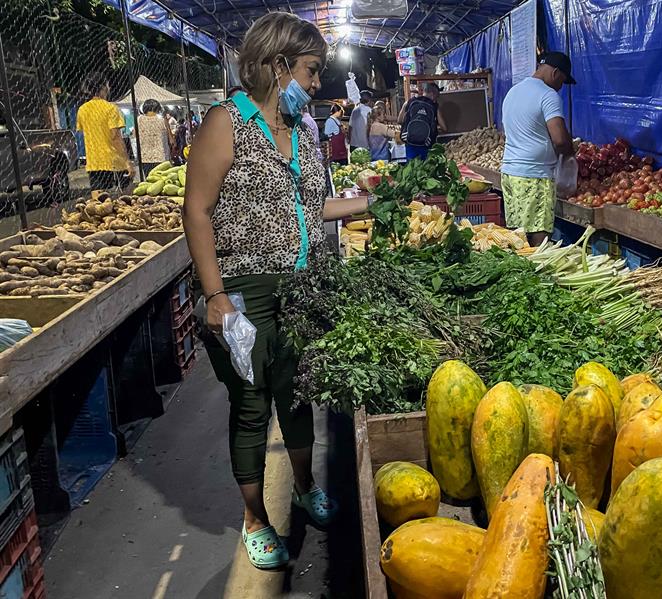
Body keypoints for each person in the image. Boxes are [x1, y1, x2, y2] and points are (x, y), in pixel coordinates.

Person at [183, 11, 372, 571]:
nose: (317, 85)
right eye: (311, 71)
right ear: (276, 64)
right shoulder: (226, 122)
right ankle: (254, 519)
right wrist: (215, 295)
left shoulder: (303, 131)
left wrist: (372, 204)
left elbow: (312, 208)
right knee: (251, 405)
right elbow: (196, 210)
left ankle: (305, 486)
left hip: (300, 286)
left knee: (296, 394)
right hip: (243, 289)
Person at [501, 51, 575, 246]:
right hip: (534, 176)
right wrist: (570, 155)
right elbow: (560, 140)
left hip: (509, 172)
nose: (560, 87)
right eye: (563, 81)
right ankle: (537, 272)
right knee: (538, 235)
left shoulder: (513, 92)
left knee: (517, 234)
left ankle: (517, 272)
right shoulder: (548, 95)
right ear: (555, 73)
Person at [76, 73, 133, 191]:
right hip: (114, 162)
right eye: (108, 85)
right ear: (103, 87)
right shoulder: (110, 108)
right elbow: (116, 137)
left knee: (98, 203)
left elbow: (86, 133)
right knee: (122, 203)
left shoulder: (82, 110)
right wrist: (127, 162)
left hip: (94, 163)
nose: (109, 88)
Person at [399, 82, 446, 161]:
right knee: (425, 170)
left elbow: (399, 121)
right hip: (426, 144)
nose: (435, 100)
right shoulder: (434, 106)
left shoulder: (409, 102)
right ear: (432, 94)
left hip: (410, 143)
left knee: (411, 169)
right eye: (436, 97)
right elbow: (444, 127)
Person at [136, 98, 176, 175]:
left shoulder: (139, 119)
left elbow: (134, 135)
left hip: (145, 157)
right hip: (161, 156)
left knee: (149, 179)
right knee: (162, 179)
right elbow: (171, 140)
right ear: (158, 108)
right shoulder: (162, 119)